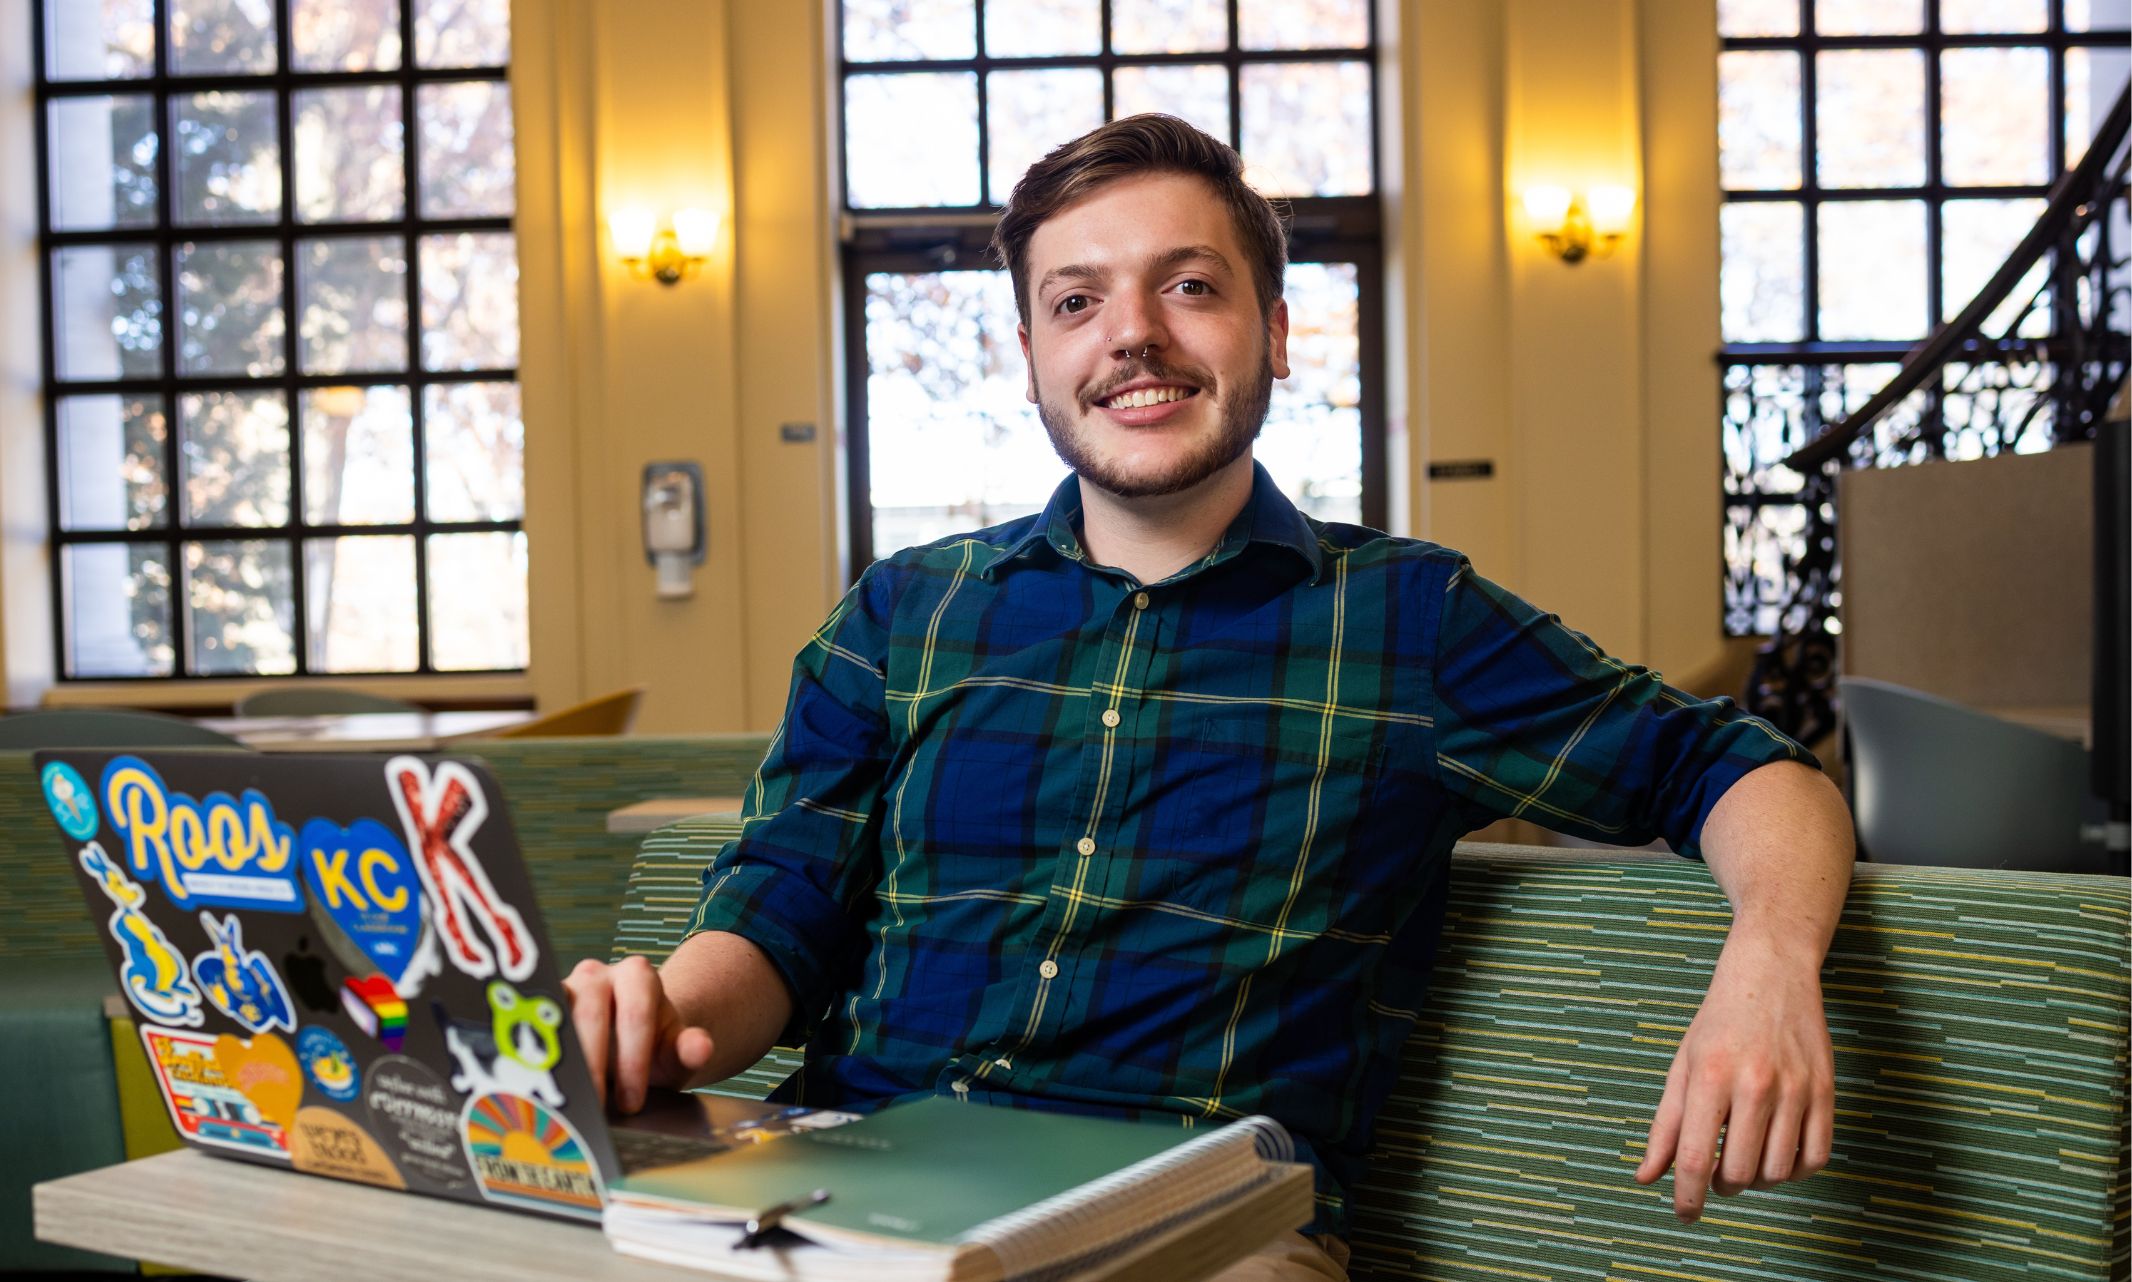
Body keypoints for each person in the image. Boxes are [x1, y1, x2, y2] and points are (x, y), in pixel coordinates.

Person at [564, 115, 1855, 1281]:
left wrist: (1770, 959)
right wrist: (662, 1014)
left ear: (1276, 333)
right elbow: (777, 916)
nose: (1134, 333)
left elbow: (1749, 771)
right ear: (1032, 356)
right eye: (1077, 301)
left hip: (1196, 1232)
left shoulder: (1411, 622)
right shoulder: (903, 612)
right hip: (849, 1189)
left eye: (1189, 286)